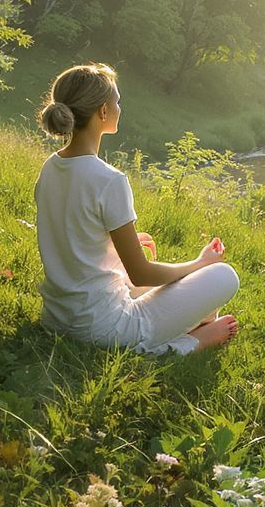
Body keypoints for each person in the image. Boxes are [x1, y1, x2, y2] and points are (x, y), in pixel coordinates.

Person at [33, 62, 240, 354]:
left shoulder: (50, 168)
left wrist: (117, 246)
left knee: (146, 272)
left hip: (58, 318)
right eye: (117, 101)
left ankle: (193, 321)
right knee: (223, 276)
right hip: (105, 328)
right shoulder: (109, 180)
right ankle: (189, 342)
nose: (120, 106)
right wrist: (201, 263)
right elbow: (142, 273)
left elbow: (73, 233)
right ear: (103, 112)